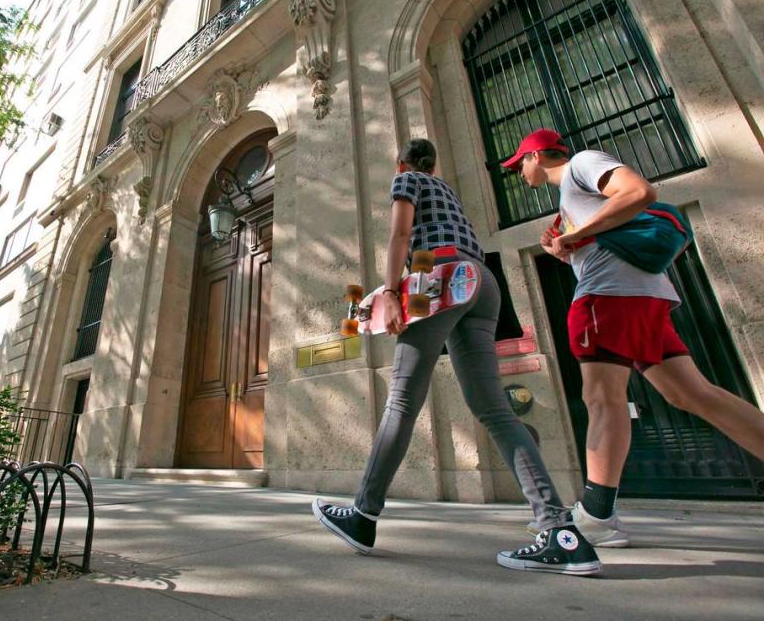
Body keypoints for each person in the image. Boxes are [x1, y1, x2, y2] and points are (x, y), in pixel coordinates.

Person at [311, 138, 602, 576]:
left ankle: (363, 516)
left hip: (438, 275)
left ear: (402, 163)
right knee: (495, 411)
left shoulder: (406, 180)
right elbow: (438, 245)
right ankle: (561, 532)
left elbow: (401, 234)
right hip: (482, 282)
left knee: (402, 402)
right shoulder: (447, 191)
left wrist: (392, 292)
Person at [503, 128, 764, 547]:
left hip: (609, 296)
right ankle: (594, 510)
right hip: (643, 297)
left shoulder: (582, 164)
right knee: (694, 395)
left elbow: (640, 192)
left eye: (519, 165)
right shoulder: (570, 195)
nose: (519, 174)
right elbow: (604, 231)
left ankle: (596, 515)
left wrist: (572, 235)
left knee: (601, 398)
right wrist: (564, 244)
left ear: (535, 155)